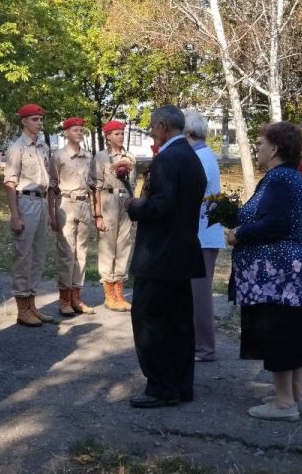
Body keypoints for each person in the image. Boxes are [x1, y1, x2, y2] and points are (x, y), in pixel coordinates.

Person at [226, 121, 302, 423]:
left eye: (262, 143)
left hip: (276, 274)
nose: (258, 148)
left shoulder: (278, 179)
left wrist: (239, 234)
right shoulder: (290, 177)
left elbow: (273, 223)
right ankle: (297, 396)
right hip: (291, 270)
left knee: (278, 331)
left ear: (275, 148)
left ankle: (283, 402)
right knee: (294, 330)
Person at [125, 105, 207, 408]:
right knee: (178, 323)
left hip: (159, 255)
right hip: (181, 252)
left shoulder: (168, 159)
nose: (150, 131)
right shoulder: (190, 156)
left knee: (149, 319)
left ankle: (160, 387)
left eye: (151, 126)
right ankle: (180, 385)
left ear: (162, 126)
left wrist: (133, 205)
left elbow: (161, 206)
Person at [4, 103, 54, 327]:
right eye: (34, 119)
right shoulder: (18, 148)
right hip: (25, 201)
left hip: (41, 201)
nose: (39, 123)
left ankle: (32, 303)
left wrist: (51, 212)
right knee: (23, 255)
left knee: (37, 255)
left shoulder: (42, 147)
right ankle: (22, 307)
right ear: (24, 121)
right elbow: (9, 183)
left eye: (41, 119)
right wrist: (15, 215)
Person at [183, 110, 225, 362]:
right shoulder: (202, 154)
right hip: (202, 233)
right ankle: (198, 344)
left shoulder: (200, 157)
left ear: (188, 133)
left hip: (203, 234)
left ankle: (204, 347)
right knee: (194, 292)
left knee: (199, 294)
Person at [49, 117, 96, 317]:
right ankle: (64, 298)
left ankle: (77, 296)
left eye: (81, 130)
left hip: (84, 203)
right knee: (67, 252)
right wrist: (51, 213)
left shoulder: (89, 156)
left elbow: (93, 183)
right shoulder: (58, 156)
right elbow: (52, 185)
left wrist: (96, 210)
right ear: (66, 133)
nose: (79, 132)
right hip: (66, 204)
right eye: (75, 129)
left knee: (81, 253)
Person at [91, 119, 137, 311]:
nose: (120, 136)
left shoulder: (130, 157)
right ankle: (109, 293)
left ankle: (119, 291)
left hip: (125, 201)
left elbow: (133, 185)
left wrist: (134, 210)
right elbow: (96, 187)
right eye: (116, 133)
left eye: (122, 133)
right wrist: (98, 215)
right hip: (108, 200)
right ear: (108, 136)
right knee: (108, 246)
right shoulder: (101, 157)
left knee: (124, 245)